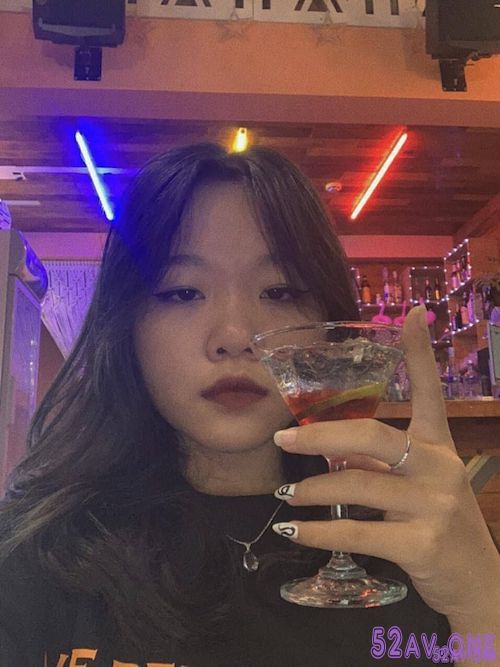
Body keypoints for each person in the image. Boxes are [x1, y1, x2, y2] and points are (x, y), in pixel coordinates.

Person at [0, 142, 498, 667]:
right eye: (183, 292)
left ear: (327, 323)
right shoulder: (34, 553)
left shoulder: (416, 539)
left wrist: (482, 602)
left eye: (279, 291)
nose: (236, 337)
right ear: (125, 325)